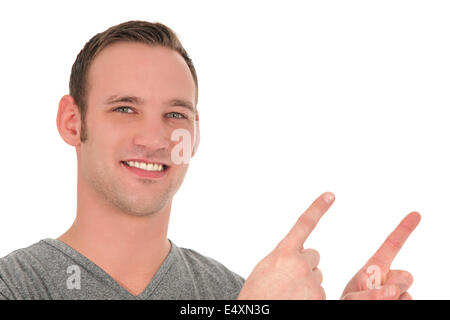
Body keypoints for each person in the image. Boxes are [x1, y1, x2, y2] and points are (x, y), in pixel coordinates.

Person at [0, 20, 420, 300]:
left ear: (195, 133)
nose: (154, 137)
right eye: (125, 108)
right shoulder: (16, 286)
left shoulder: (233, 292)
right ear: (72, 122)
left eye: (175, 114)